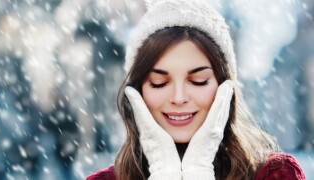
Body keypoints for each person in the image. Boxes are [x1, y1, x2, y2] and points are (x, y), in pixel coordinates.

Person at [87, 0, 306, 179]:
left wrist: (198, 170)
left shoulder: (275, 174)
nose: (179, 98)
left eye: (199, 81)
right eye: (159, 83)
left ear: (224, 88)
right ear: (137, 92)